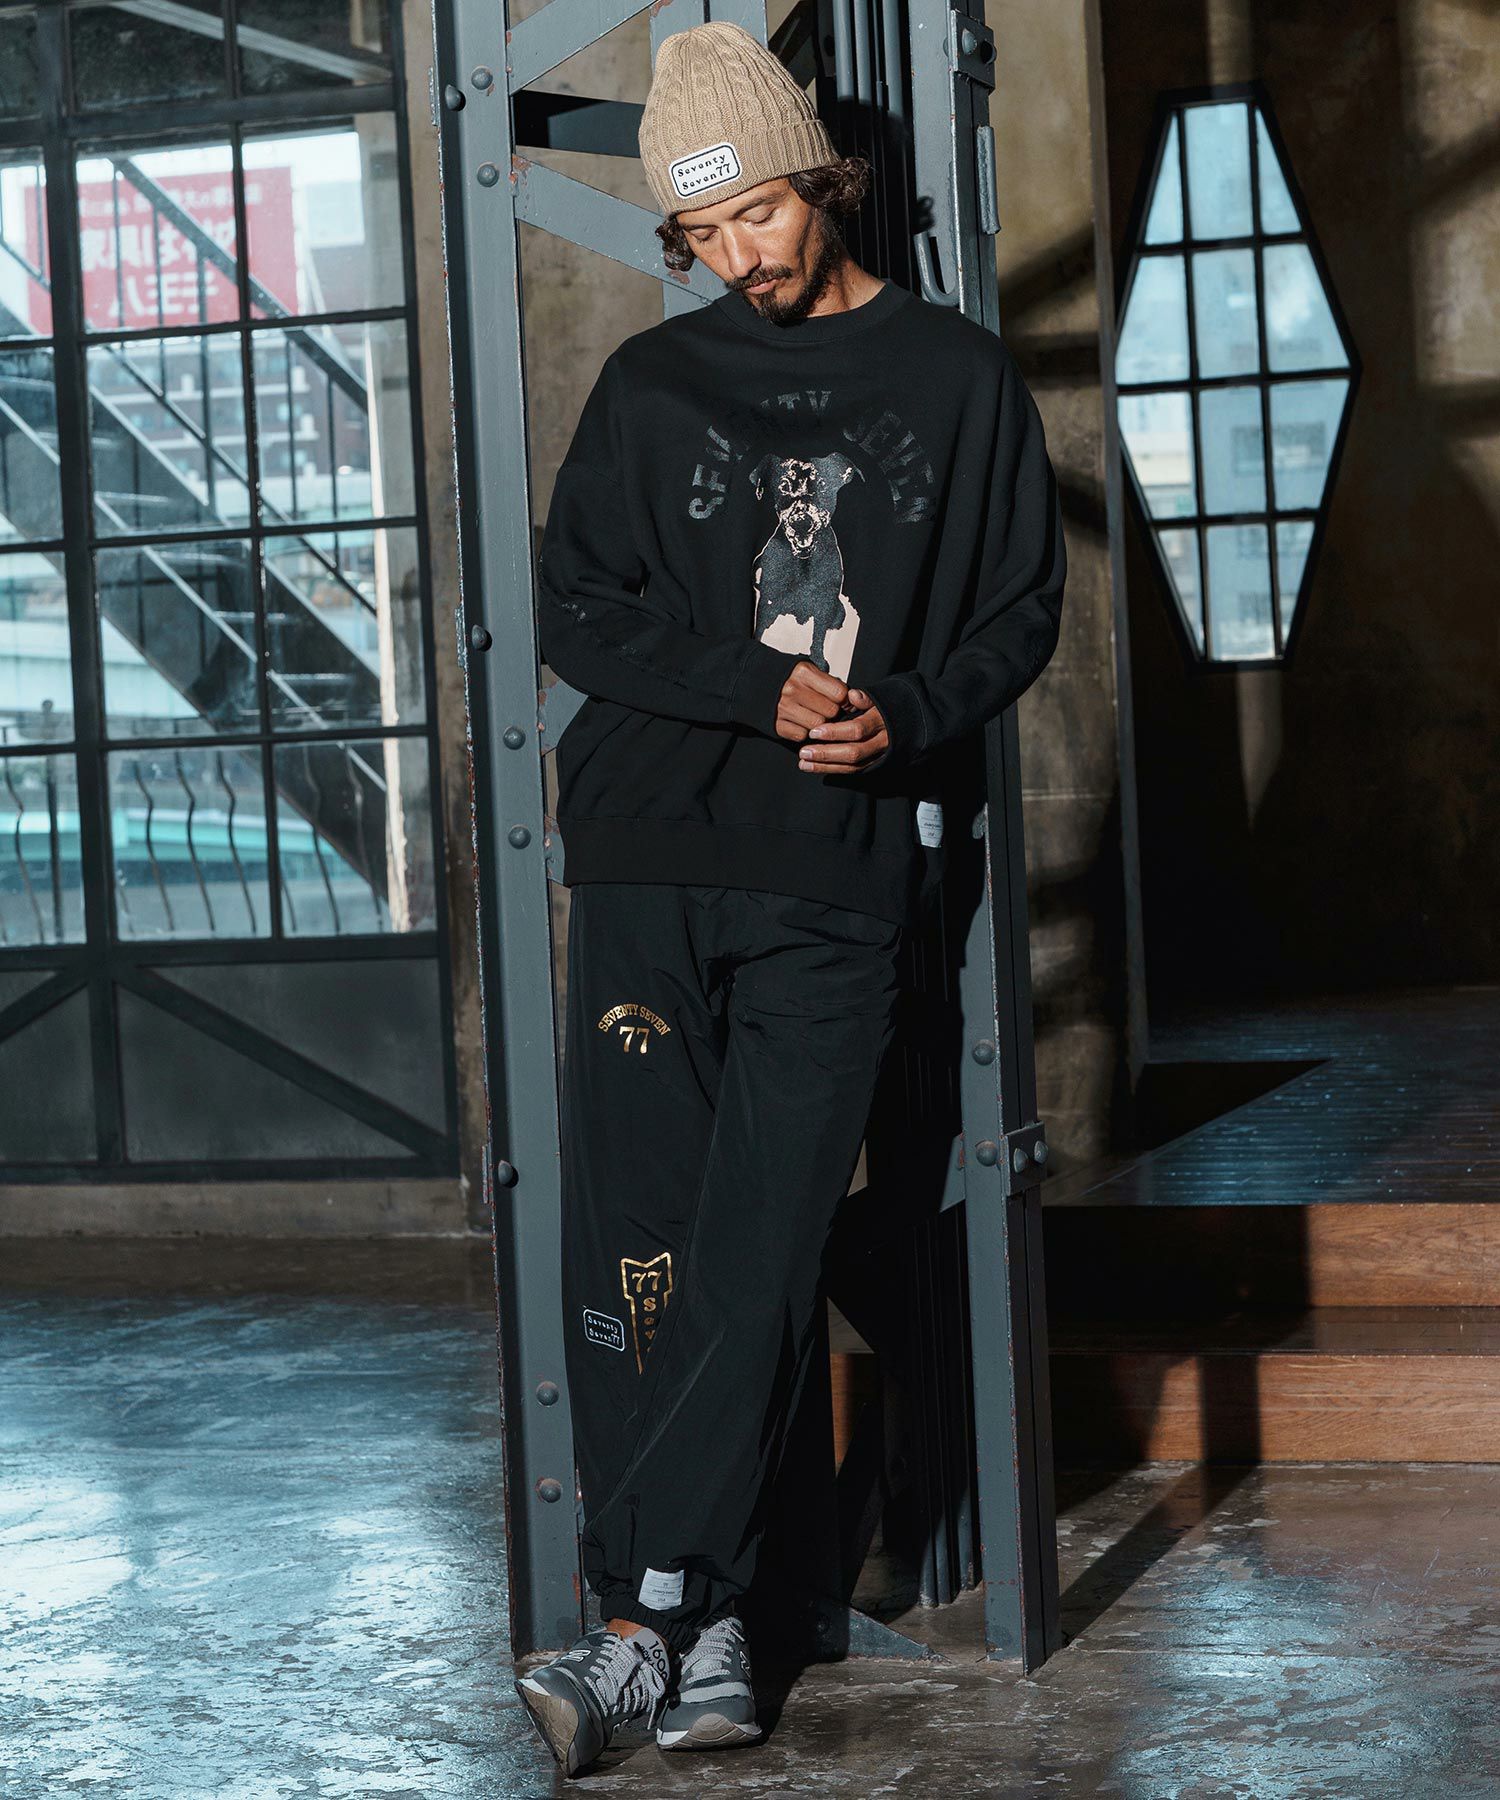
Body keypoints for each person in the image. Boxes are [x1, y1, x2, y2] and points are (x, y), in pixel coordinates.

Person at [514, 19, 1066, 1778]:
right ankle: (704, 1636)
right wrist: (758, 690)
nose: (739, 255)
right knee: (642, 1254)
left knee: (758, 1256)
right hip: (648, 856)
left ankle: (637, 1625)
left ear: (822, 177)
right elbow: (574, 612)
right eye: (702, 233)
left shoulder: (958, 383)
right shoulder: (649, 387)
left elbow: (1022, 611)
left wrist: (906, 711)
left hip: (834, 876)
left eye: (758, 211)